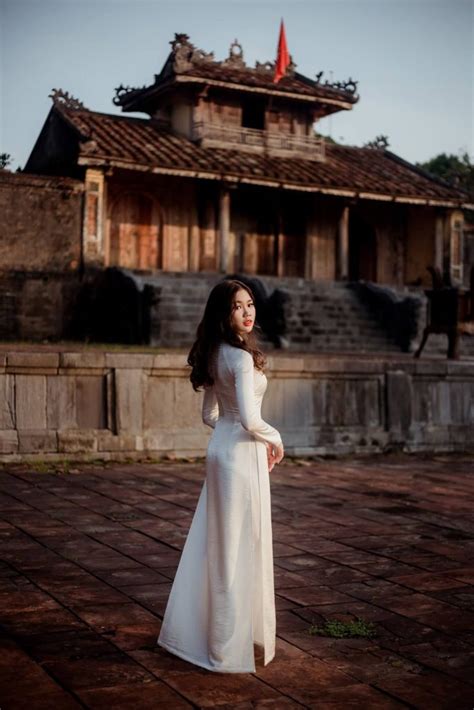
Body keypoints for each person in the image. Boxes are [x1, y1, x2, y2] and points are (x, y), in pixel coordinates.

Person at [157, 278, 284, 673]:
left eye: (250, 304)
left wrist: (231, 435)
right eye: (237, 307)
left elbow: (210, 416)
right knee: (240, 547)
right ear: (223, 313)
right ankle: (226, 649)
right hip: (242, 456)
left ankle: (217, 636)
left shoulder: (215, 353)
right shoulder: (240, 359)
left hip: (223, 453)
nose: (248, 313)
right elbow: (248, 418)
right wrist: (276, 438)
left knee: (220, 545)